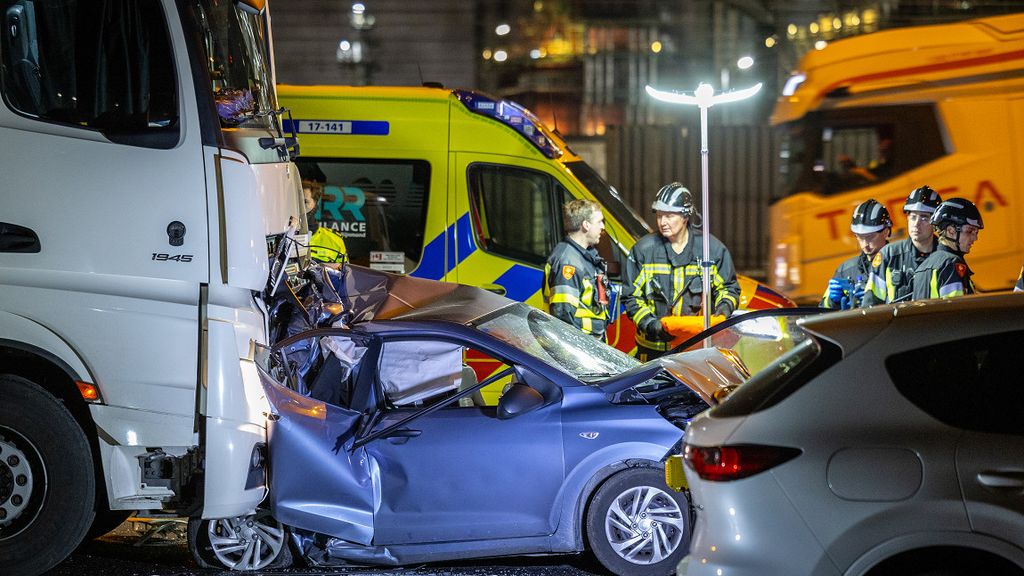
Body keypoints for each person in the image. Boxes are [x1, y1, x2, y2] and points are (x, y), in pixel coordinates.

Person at [623, 182, 740, 361]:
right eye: (659, 215)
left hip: (694, 349)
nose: (662, 222)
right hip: (652, 350)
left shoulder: (711, 250)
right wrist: (651, 325)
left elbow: (729, 289)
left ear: (685, 216)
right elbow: (631, 296)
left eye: (669, 216)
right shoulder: (643, 251)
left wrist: (722, 311)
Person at [861, 185, 942, 306]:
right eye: (913, 217)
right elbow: (870, 305)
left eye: (924, 218)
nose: (916, 224)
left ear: (935, 222)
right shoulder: (888, 255)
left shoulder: (946, 258)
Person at [544, 199, 610, 340]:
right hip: (579, 345)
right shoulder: (568, 262)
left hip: (588, 342)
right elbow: (563, 318)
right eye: (599, 222)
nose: (602, 227)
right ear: (586, 225)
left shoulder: (582, 256)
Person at [822, 199, 892, 309]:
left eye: (870, 237)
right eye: (859, 237)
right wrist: (832, 301)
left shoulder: (899, 264)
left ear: (886, 232)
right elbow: (823, 311)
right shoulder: (845, 270)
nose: (864, 244)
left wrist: (873, 299)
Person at [912, 198, 984, 300]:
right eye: (970, 231)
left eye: (976, 233)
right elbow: (957, 307)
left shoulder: (922, 267)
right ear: (951, 231)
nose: (975, 238)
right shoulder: (950, 263)